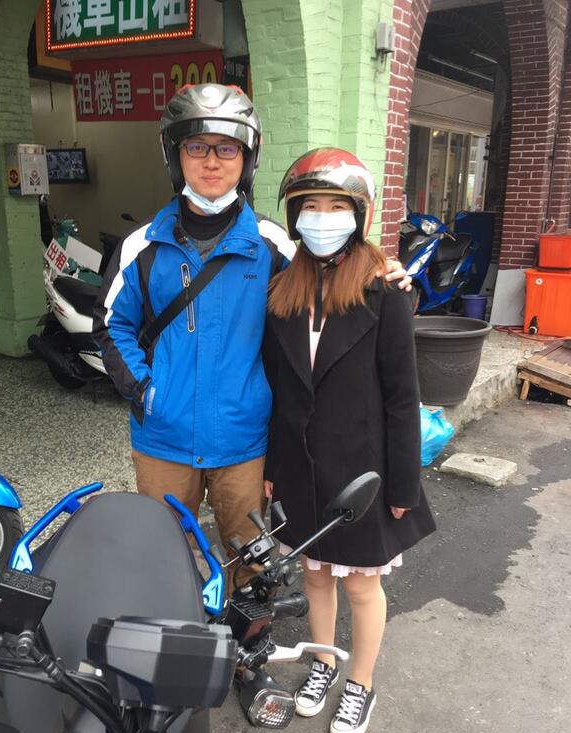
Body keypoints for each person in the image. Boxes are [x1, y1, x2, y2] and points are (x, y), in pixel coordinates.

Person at [93, 84, 410, 592]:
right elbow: (113, 325)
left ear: (247, 158)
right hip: (163, 438)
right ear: (175, 155)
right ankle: (174, 633)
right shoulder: (142, 245)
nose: (211, 161)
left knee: (251, 561)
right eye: (197, 146)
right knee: (161, 553)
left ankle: (247, 638)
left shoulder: (274, 245)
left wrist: (384, 273)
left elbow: (332, 282)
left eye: (227, 148)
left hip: (244, 441)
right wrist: (146, 391)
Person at [263, 148, 436, 733]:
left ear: (358, 214)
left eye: (336, 206)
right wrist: (274, 467)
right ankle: (323, 662)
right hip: (300, 465)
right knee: (315, 577)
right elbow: (280, 390)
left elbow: (402, 396)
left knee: (362, 583)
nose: (322, 217)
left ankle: (360, 682)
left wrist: (404, 485)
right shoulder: (282, 290)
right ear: (294, 216)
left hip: (364, 472)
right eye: (311, 206)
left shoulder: (384, 290)